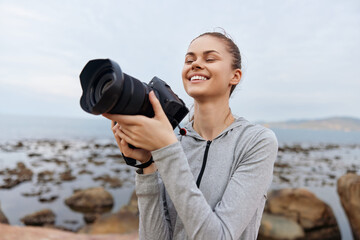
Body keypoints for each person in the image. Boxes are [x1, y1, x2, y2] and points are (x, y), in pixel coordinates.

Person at [103, 31, 278, 240]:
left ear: (235, 76)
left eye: (210, 58)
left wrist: (167, 149)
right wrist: (147, 165)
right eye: (189, 59)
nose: (195, 64)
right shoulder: (173, 140)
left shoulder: (256, 142)